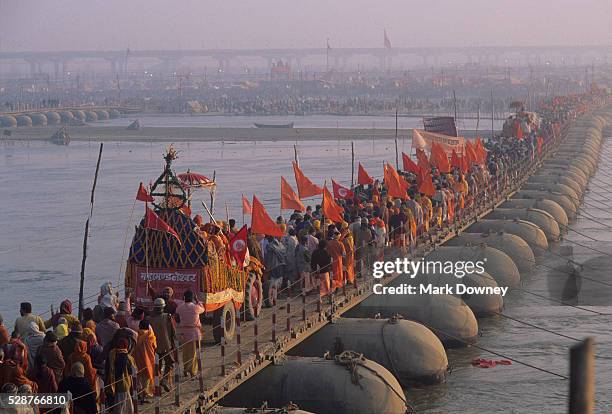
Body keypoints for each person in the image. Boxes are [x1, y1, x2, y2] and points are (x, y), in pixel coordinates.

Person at [175, 290, 204, 377]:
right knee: (193, 354)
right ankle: (192, 371)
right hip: (194, 333)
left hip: (183, 333)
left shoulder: (180, 307)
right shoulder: (196, 307)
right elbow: (203, 309)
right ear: (192, 298)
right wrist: (197, 300)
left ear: (184, 298)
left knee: (185, 353)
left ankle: (185, 369)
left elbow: (177, 313)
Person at [148, 298, 175, 391]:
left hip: (154, 347)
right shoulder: (167, 317)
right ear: (163, 307)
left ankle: (157, 386)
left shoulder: (149, 319)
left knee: (157, 367)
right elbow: (173, 332)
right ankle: (165, 380)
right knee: (170, 363)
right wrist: (173, 344)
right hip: (166, 345)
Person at [105, 338, 136, 414]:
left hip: (112, 383)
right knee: (124, 406)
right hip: (124, 383)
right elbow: (132, 372)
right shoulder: (127, 357)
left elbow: (107, 368)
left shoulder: (112, 354)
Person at [133, 320, 157, 402]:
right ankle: (144, 395)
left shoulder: (136, 335)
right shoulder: (150, 335)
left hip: (138, 359)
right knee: (146, 379)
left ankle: (139, 394)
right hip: (148, 360)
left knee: (139, 378)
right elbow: (154, 346)